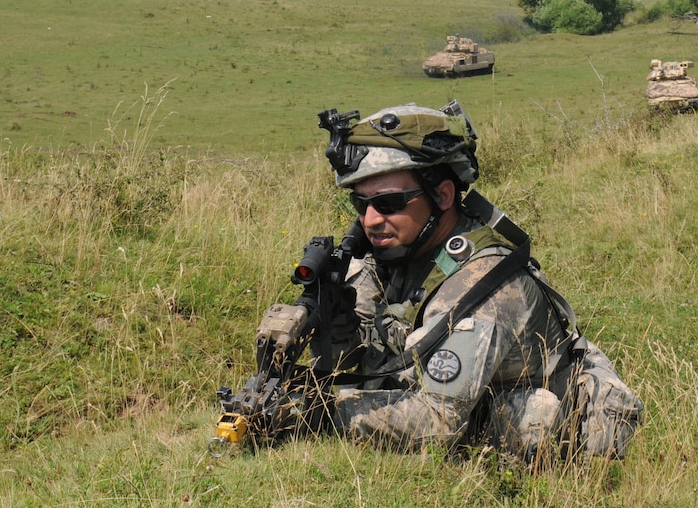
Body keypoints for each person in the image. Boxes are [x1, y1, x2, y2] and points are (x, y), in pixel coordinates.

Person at [268, 101, 641, 466]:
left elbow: (436, 419)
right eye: (359, 203)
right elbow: (363, 364)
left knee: (527, 421)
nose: (370, 221)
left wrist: (315, 415)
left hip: (549, 416)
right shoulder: (395, 252)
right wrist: (335, 325)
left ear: (443, 195)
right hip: (467, 396)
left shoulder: (486, 283)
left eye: (389, 203)